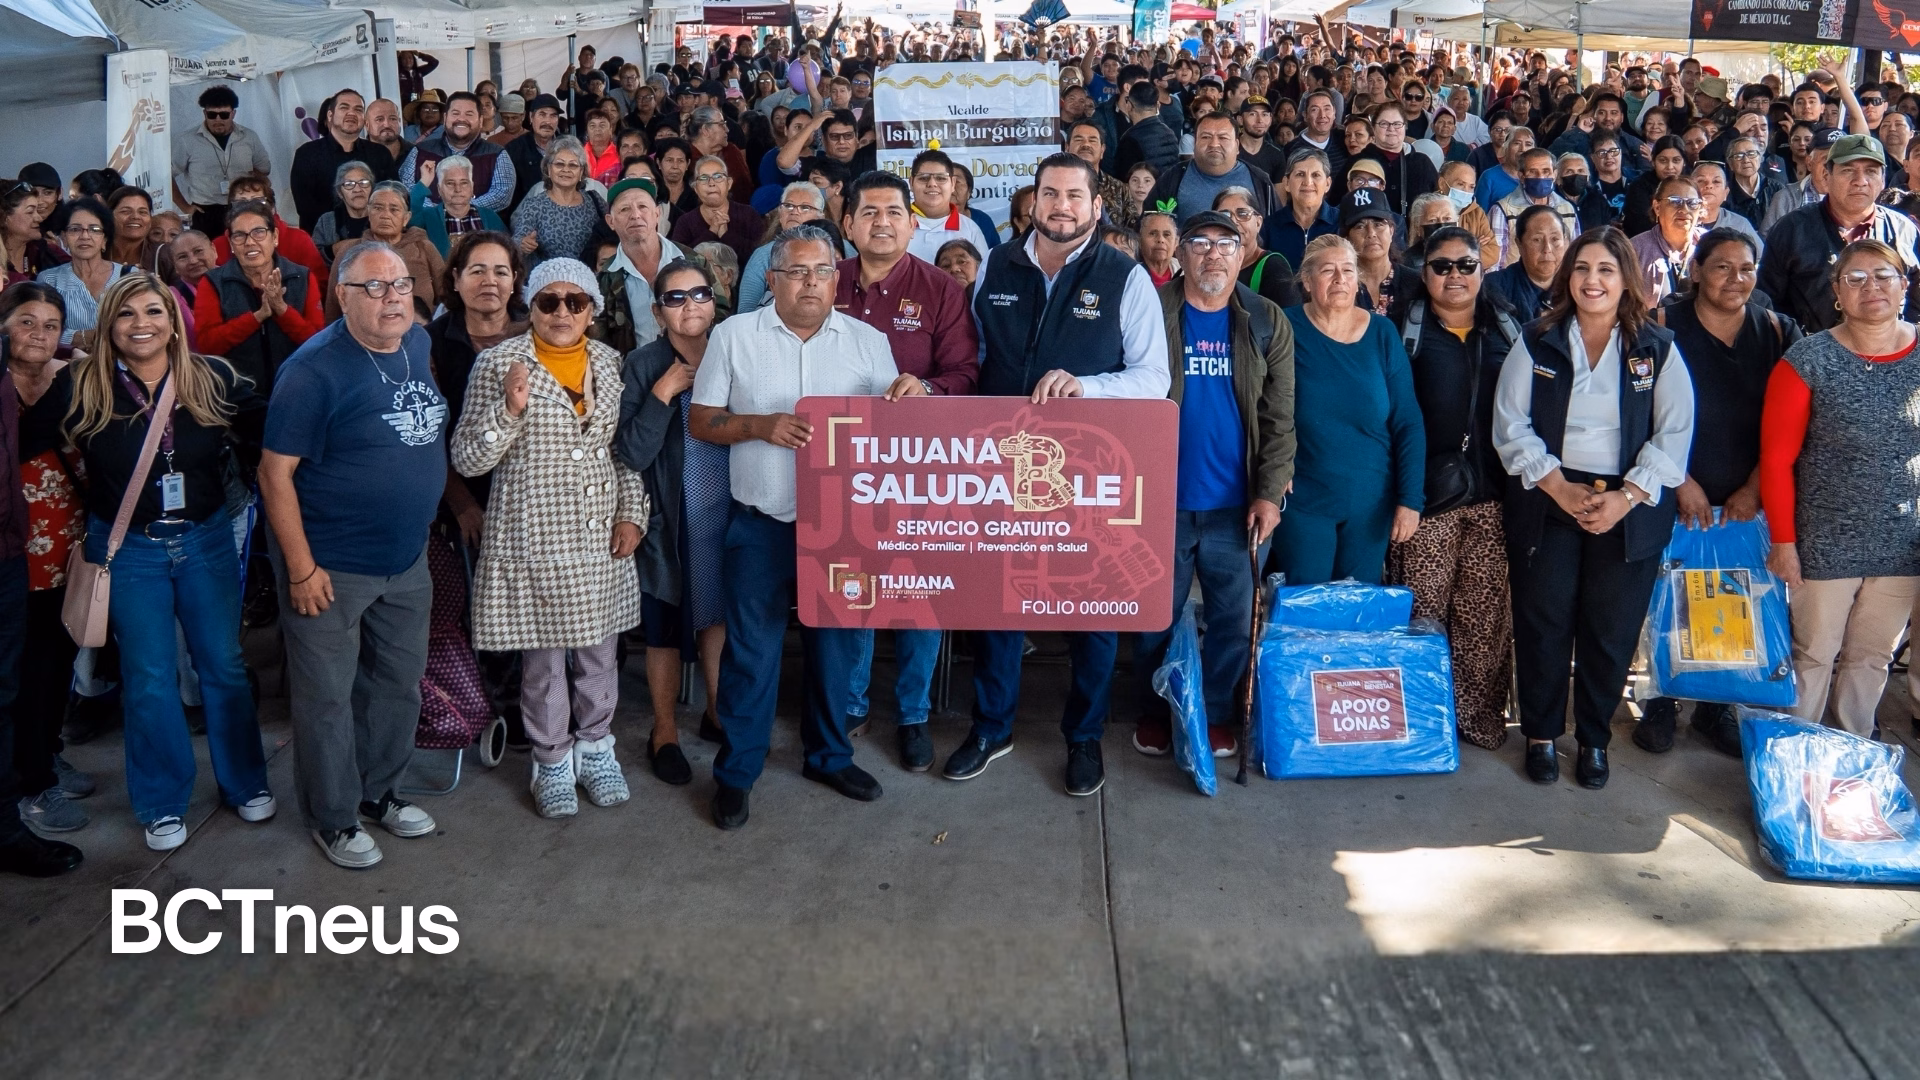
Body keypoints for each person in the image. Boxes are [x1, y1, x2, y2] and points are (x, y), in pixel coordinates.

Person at [948, 153, 1170, 797]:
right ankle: (991, 728)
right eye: (1051, 194)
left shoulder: (1125, 276)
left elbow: (1154, 380)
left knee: (1092, 607)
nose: (1062, 206)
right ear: (1033, 201)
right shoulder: (997, 264)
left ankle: (1084, 738)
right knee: (999, 600)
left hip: (1088, 471)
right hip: (1001, 466)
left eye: (1076, 195)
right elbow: (978, 356)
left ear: (1097, 207)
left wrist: (1087, 386)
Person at [32, 273, 275, 850]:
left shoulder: (212, 378)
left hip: (206, 541)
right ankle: (163, 802)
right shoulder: (82, 388)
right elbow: (20, 433)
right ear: (109, 326)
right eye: (126, 314)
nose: (141, 324)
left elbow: (274, 423)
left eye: (154, 312)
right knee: (149, 677)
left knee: (223, 665)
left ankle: (245, 783)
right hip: (129, 548)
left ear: (173, 321)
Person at [689, 224, 897, 830]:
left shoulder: (867, 341)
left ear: (839, 278)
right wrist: (759, 427)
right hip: (760, 523)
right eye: (798, 272)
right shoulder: (733, 337)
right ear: (772, 279)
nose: (811, 283)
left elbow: (894, 425)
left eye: (823, 272)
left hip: (843, 528)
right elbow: (703, 420)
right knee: (752, 653)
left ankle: (829, 757)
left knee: (837, 650)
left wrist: (915, 392)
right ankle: (737, 772)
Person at [259, 242, 447, 869]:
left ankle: (379, 794)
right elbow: (274, 476)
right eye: (373, 287)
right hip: (332, 566)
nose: (392, 296)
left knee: (397, 686)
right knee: (328, 700)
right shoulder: (313, 372)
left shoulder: (417, 343)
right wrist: (302, 568)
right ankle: (333, 818)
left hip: (405, 560)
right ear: (341, 294)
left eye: (399, 284)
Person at [1494, 226, 1694, 790]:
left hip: (1629, 506)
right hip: (1550, 497)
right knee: (1545, 620)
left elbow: (1674, 433)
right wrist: (1559, 488)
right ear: (1568, 278)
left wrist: (1625, 498)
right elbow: (1511, 426)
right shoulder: (1537, 341)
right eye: (1582, 269)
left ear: (1626, 278)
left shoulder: (1658, 348)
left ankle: (1594, 740)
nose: (1593, 280)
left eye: (1606, 269)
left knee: (1609, 629)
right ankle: (1539, 734)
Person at [448, 258, 643, 816]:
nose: (562, 312)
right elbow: (467, 456)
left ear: (592, 311)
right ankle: (551, 760)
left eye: (575, 301)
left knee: (600, 655)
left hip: (597, 535)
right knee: (543, 663)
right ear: (529, 306)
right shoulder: (499, 363)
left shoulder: (610, 363)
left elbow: (619, 453)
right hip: (532, 539)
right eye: (548, 301)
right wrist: (509, 410)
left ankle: (596, 747)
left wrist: (632, 514)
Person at [1627, 229, 1799, 757]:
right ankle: (1661, 700)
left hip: (1749, 496)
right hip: (1670, 485)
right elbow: (1637, 414)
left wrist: (1753, 488)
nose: (1735, 278)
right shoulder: (1660, 327)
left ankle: (1715, 707)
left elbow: (1794, 421)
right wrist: (1680, 480)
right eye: (1722, 267)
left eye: (1746, 268)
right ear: (1696, 270)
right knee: (1668, 595)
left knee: (1732, 599)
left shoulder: (1776, 330)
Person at [1133, 209, 1295, 759]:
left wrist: (1270, 493)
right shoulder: (1152, 311)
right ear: (1179, 253)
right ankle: (1156, 709)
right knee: (1153, 613)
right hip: (1159, 500)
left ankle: (1219, 711)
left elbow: (1280, 418)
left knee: (1231, 617)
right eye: (1199, 242)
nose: (1213, 253)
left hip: (1237, 504)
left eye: (1226, 244)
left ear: (1243, 253)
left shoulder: (1266, 319)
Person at [834, 171, 980, 771]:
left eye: (894, 212)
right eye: (868, 213)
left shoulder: (942, 289)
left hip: (921, 469)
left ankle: (914, 713)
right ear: (848, 225)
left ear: (913, 221)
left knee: (918, 590)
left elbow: (967, 374)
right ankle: (849, 703)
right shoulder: (825, 281)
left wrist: (926, 387)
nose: (882, 222)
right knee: (852, 584)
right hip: (840, 467)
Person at [1761, 239, 1920, 740]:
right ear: (1836, 293)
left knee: (1872, 656)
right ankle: (1794, 757)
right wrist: (1784, 543)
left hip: (1904, 542)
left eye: (1883, 275)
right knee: (1812, 654)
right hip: (1824, 539)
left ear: (1904, 286)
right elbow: (1776, 461)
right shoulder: (1807, 360)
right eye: (1855, 278)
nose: (1870, 287)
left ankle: (1850, 753)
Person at [1386, 227, 1517, 750]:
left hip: (1495, 498)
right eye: (1442, 266)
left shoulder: (1509, 330)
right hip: (1427, 501)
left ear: (1482, 271)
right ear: (1425, 274)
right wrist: (1402, 496)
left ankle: (1475, 718)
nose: (1455, 275)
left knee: (1483, 617)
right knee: (1423, 612)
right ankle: (1418, 720)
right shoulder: (1405, 331)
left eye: (1466, 265)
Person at [614, 258, 726, 786]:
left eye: (698, 294)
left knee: (717, 617)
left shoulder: (735, 351)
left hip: (727, 511)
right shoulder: (642, 363)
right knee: (661, 629)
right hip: (668, 516)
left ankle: (716, 712)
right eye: (675, 298)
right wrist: (663, 393)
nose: (689, 306)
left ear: (714, 300)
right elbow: (631, 452)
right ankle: (664, 731)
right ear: (659, 312)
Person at [1275, 234, 1424, 585]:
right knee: (1306, 616)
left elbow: (1408, 422)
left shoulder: (1383, 333)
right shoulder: (1283, 327)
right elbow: (1259, 407)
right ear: (1308, 282)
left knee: (1358, 620)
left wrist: (1410, 499)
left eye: (1347, 270)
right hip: (1303, 500)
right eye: (1328, 271)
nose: (1340, 279)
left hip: (1370, 504)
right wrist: (1269, 471)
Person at [5, 284, 93, 835]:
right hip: (15, 550)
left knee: (57, 657)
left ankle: (45, 752)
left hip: (67, 544)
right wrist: (67, 378)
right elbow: (29, 437)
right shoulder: (14, 387)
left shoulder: (67, 377)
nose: (40, 334)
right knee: (19, 670)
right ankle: (29, 784)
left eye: (51, 325)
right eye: (26, 322)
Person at [1761, 133, 1920, 335]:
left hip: (1889, 353)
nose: (1860, 181)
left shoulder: (1903, 230)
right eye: (1848, 170)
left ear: (1883, 179)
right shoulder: (1792, 229)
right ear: (1827, 176)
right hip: (1811, 354)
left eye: (1871, 171)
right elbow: (1768, 305)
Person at [193, 199, 325, 396]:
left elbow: (318, 344)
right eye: (239, 235)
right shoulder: (213, 282)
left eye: (258, 232)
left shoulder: (302, 277)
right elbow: (208, 344)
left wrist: (282, 310)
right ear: (230, 243)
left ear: (275, 237)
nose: (249, 242)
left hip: (297, 390)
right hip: (236, 396)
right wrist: (256, 317)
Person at [325, 182, 444, 321]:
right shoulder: (350, 251)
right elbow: (333, 305)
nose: (385, 215)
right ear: (368, 213)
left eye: (394, 209)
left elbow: (446, 296)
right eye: (378, 208)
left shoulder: (423, 248)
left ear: (406, 218)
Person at [594, 178, 686, 354]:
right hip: (632, 376)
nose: (635, 215)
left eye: (643, 207)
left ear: (657, 214)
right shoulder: (604, 280)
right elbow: (601, 345)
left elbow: (719, 316)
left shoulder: (692, 262)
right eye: (624, 209)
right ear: (610, 221)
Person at [1144, 110, 1274, 227]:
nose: (1214, 144)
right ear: (1194, 144)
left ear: (1237, 145)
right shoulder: (1173, 178)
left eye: (1223, 137)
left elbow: (1272, 228)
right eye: (1206, 137)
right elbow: (1149, 226)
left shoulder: (1260, 181)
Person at [290, 90, 397, 232]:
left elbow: (393, 195)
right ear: (330, 115)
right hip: (325, 243)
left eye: (358, 109)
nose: (352, 113)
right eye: (344, 107)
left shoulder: (379, 153)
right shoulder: (307, 154)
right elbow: (306, 208)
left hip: (375, 236)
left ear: (363, 119)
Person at [172, 86, 271, 237]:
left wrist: (251, 187)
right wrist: (185, 207)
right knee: (207, 258)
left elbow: (264, 170)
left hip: (243, 206)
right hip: (205, 210)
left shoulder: (249, 137)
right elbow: (168, 176)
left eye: (224, 115)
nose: (218, 120)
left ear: (233, 114)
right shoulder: (187, 141)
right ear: (205, 113)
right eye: (212, 115)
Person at [402, 93, 518, 220]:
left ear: (480, 121)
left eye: (469, 114)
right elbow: (406, 187)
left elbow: (501, 195)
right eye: (455, 113)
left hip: (480, 232)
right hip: (428, 228)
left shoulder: (498, 154)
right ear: (445, 118)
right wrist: (437, 212)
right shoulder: (420, 150)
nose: (461, 119)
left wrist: (458, 210)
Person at [37, 198, 132, 349]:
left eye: (94, 229)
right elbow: (42, 328)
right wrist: (81, 337)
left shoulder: (129, 276)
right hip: (70, 366)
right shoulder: (49, 279)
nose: (85, 236)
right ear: (64, 238)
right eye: (75, 229)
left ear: (104, 240)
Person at [510, 137, 607, 271]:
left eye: (573, 165)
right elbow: (517, 242)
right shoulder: (535, 205)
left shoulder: (595, 200)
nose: (565, 170)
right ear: (549, 169)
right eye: (559, 164)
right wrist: (523, 244)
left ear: (581, 172)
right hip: (549, 282)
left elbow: (611, 233)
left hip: (588, 281)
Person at [669, 153, 764, 267]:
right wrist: (711, 232)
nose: (711, 183)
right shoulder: (685, 222)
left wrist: (726, 235)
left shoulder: (749, 215)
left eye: (718, 177)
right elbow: (680, 261)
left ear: (729, 184)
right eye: (704, 178)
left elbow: (760, 256)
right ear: (695, 188)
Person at [1489, 146, 1578, 267]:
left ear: (1555, 174)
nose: (1540, 177)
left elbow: (1574, 254)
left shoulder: (1567, 208)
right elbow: (1495, 261)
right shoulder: (1503, 210)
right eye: (1533, 172)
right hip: (1516, 282)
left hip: (1557, 282)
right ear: (1521, 176)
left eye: (1546, 171)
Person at [1212, 186, 1300, 309]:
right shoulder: (1209, 263)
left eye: (1242, 214)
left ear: (1258, 223)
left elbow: (1288, 322)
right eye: (1224, 215)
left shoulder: (1274, 266)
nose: (1233, 221)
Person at [1630, 176, 1707, 308]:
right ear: (1657, 207)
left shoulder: (1711, 244)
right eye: (1675, 201)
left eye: (1692, 203)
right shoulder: (1635, 249)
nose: (1684, 209)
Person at [409, 154, 507, 256]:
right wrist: (424, 181)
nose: (458, 189)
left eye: (464, 183)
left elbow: (506, 250)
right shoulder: (428, 217)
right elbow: (407, 217)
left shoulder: (489, 216)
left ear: (472, 187)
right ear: (439, 189)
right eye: (450, 183)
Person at [1356, 103, 1440, 216]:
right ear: (1373, 128)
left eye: (1397, 124)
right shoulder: (1358, 162)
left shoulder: (1421, 163)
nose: (1391, 129)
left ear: (1405, 126)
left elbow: (1437, 202)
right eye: (1384, 124)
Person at [1484, 204, 1565, 321]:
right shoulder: (1494, 287)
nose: (1547, 249)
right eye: (1537, 240)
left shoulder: (1576, 286)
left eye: (1555, 239)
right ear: (1519, 244)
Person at [1266, 149, 1339, 269]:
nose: (1308, 182)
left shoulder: (1341, 223)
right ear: (1287, 183)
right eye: (1300, 174)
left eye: (1316, 175)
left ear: (1327, 184)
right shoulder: (1269, 227)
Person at [1339, 189, 1407, 317]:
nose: (1371, 233)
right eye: (1360, 226)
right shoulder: (1339, 285)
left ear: (1391, 231)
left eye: (1378, 224)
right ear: (1346, 238)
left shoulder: (1415, 284)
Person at [1064, 122, 1142, 231]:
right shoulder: (1057, 186)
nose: (1086, 144)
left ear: (1102, 150)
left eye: (1092, 140)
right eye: (1079, 139)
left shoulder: (1120, 189)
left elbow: (1134, 231)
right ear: (1067, 148)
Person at [504, 95, 565, 217]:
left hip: (563, 214)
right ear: (531, 117)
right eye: (542, 114)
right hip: (525, 216)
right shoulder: (514, 149)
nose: (547, 121)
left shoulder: (567, 147)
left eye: (553, 116)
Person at [311, 162, 376, 263]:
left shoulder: (382, 217)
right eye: (349, 184)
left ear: (371, 188)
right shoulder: (327, 221)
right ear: (340, 193)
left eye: (363, 183)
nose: (358, 189)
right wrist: (333, 250)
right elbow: (314, 258)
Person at [105, 188, 175, 281]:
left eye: (142, 212)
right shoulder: (97, 252)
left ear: (150, 219)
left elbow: (184, 293)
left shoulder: (165, 255)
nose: (135, 217)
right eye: (126, 211)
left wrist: (155, 287)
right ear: (109, 216)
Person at [1138, 211, 1178, 286]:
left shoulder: (1186, 273)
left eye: (1166, 235)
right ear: (1140, 241)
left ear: (1176, 243)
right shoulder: (1131, 273)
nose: (1161, 240)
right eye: (1153, 234)